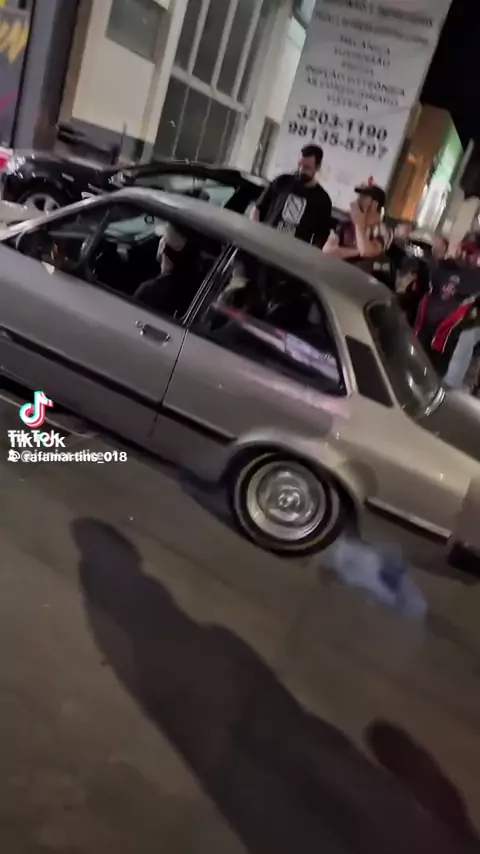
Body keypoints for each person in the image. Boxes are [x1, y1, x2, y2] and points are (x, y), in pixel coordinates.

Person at [252, 144, 332, 248]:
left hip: (292, 252)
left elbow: (321, 236)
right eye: (299, 165)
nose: (301, 170)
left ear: (317, 167)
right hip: (265, 242)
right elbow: (258, 208)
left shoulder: (323, 200)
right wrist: (255, 234)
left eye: (307, 167)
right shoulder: (282, 181)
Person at [323, 181, 393, 286]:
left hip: (362, 285)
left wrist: (359, 223)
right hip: (336, 278)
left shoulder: (383, 231)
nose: (358, 200)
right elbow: (327, 251)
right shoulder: (345, 225)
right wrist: (356, 251)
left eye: (364, 197)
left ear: (374, 204)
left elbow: (366, 251)